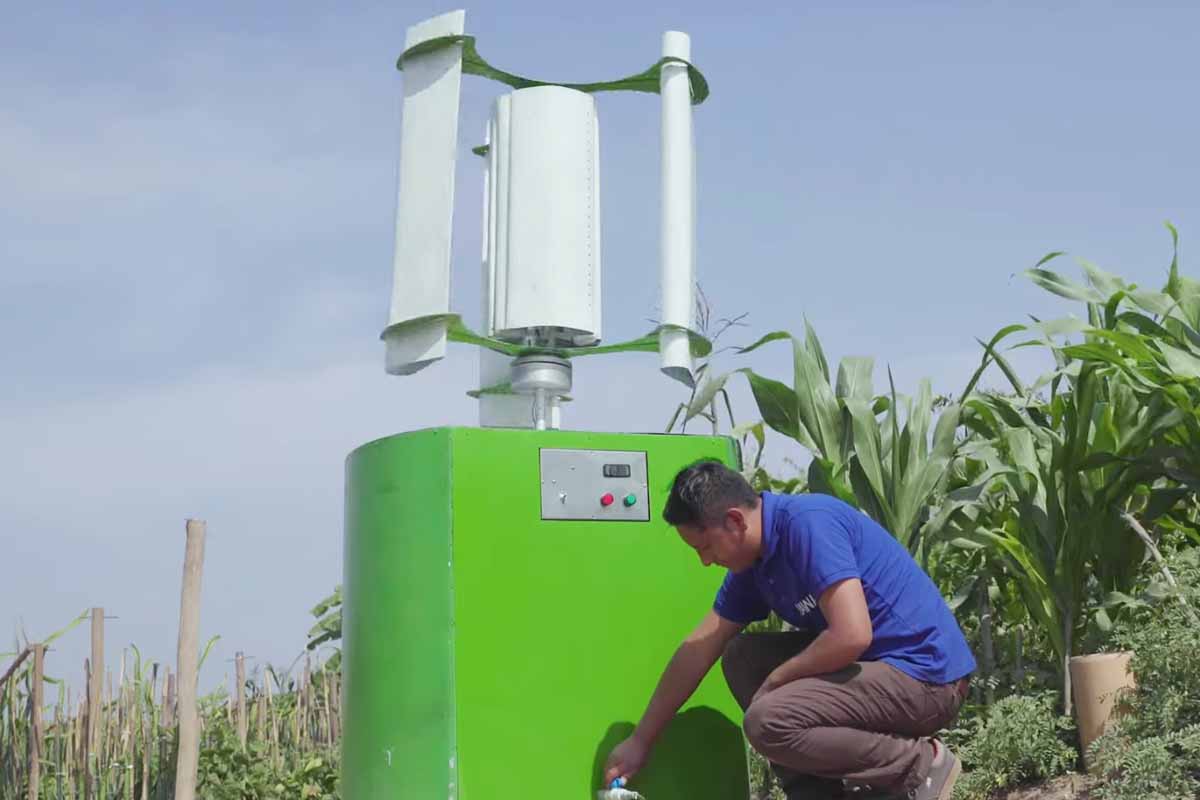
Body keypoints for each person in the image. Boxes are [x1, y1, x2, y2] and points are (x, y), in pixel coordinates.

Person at [603, 460, 975, 800]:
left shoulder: (808, 524)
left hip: (928, 678)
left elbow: (852, 635)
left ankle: (919, 767)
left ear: (734, 521)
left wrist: (780, 678)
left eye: (705, 546)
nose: (705, 561)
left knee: (768, 721)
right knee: (742, 657)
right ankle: (816, 795)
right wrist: (641, 739)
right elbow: (700, 647)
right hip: (877, 673)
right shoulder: (753, 562)